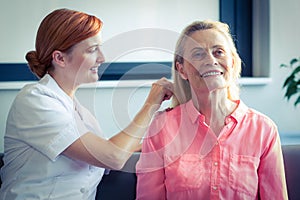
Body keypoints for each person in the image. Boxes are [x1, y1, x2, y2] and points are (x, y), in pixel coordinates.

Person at [0, 8, 173, 199]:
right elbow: (112, 156)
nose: (102, 58)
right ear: (60, 58)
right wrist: (151, 103)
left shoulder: (79, 112)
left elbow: (110, 151)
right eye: (92, 50)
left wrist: (155, 144)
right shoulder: (35, 101)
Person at [136, 20, 288, 199]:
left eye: (219, 52)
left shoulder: (264, 129)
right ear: (182, 70)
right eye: (198, 54)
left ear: (231, 61)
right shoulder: (162, 126)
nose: (211, 60)